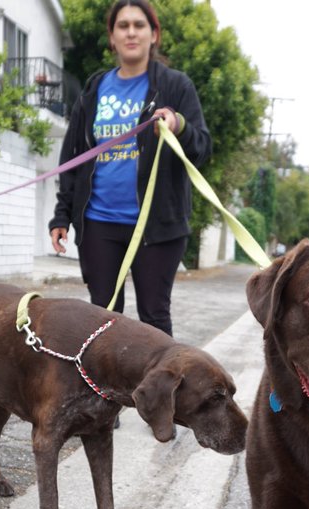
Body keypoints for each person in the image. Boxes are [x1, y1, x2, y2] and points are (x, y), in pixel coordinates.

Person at [48, 0, 211, 337]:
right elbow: (73, 155)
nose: (131, 32)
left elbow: (202, 149)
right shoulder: (94, 89)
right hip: (98, 223)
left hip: (157, 227)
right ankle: (105, 391)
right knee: (103, 317)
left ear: (154, 35)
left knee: (153, 317)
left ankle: (161, 390)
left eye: (140, 25)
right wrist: (62, 215)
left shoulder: (176, 87)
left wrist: (178, 124)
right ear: (112, 37)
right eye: (123, 26)